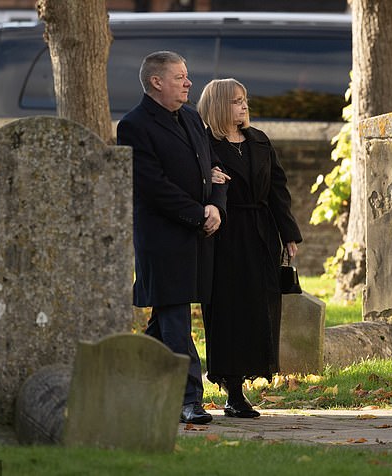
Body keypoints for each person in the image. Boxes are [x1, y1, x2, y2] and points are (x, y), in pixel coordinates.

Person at [116, 51, 227, 425]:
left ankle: (130, 385)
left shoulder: (193, 117)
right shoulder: (133, 126)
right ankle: (189, 398)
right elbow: (151, 186)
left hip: (197, 233)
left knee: (163, 320)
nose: (188, 83)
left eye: (186, 75)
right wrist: (198, 214)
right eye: (179, 77)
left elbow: (215, 169)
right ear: (156, 82)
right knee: (175, 314)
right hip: (163, 237)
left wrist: (216, 208)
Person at [197, 78, 302, 418]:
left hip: (260, 232)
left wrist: (289, 234)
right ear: (218, 106)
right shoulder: (207, 145)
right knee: (228, 310)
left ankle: (249, 377)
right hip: (225, 234)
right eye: (235, 101)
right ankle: (233, 390)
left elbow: (277, 190)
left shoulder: (259, 141)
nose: (243, 106)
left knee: (260, 306)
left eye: (245, 100)